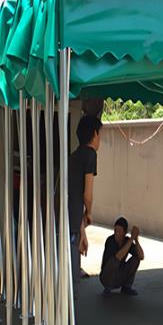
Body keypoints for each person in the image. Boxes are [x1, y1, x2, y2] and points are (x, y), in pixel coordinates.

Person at [68, 115, 102, 297]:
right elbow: (87, 195)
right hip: (72, 218)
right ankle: (69, 309)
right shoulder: (90, 155)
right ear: (94, 134)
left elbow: (73, 195)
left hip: (66, 216)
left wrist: (82, 231)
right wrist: (89, 212)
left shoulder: (74, 156)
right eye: (100, 134)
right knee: (72, 272)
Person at [100, 217, 144, 295]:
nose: (117, 234)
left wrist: (136, 240)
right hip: (106, 277)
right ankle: (108, 287)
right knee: (113, 260)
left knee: (136, 259)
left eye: (119, 231)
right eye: (115, 231)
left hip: (119, 275)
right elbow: (118, 257)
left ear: (125, 232)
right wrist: (131, 239)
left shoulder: (127, 241)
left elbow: (141, 256)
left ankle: (126, 286)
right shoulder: (110, 240)